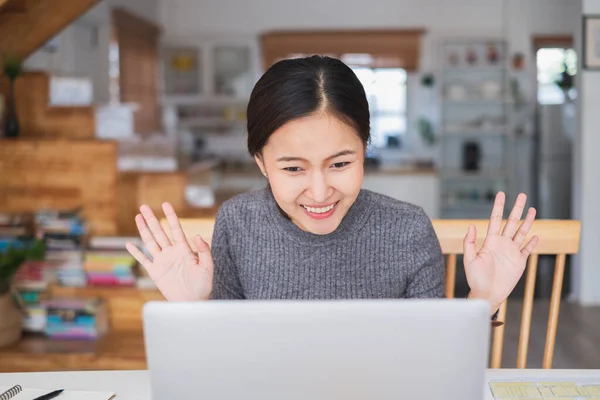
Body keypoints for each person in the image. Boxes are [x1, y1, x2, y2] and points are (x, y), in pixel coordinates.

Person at [125, 56, 538, 319]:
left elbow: (435, 363)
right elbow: (221, 366)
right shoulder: (238, 222)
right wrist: (191, 310)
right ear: (262, 165)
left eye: (340, 163)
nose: (320, 192)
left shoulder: (407, 229)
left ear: (364, 151)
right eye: (293, 169)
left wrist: (484, 295)